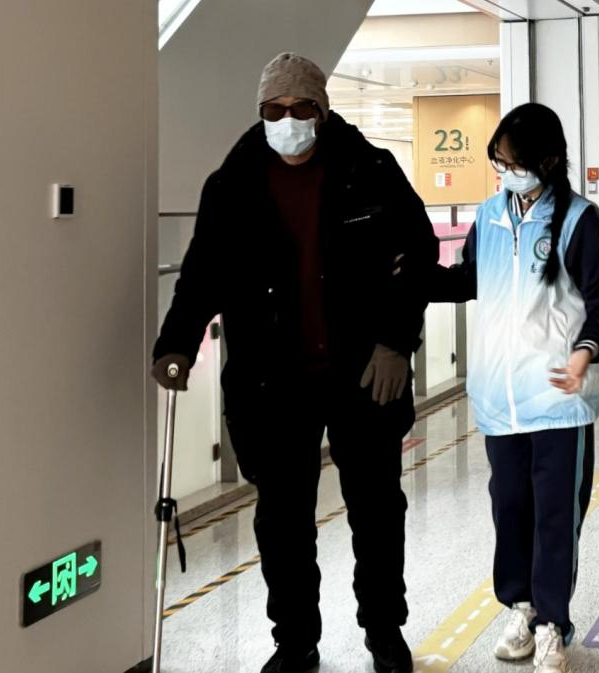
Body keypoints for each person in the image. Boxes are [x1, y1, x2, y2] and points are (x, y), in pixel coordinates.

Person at [152, 53, 439, 673]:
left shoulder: (371, 171)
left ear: (322, 110)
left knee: (377, 512)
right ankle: (295, 641)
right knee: (282, 522)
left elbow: (417, 256)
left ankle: (384, 632)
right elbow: (201, 275)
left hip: (365, 373)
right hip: (271, 382)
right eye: (273, 110)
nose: (287, 120)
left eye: (299, 108)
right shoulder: (231, 185)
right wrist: (175, 345)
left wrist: (395, 343)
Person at [408, 103, 599, 673]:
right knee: (510, 510)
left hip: (558, 401)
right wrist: (412, 275)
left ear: (548, 161)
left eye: (512, 163)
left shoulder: (577, 220)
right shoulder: (488, 216)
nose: (504, 172)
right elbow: (469, 280)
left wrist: (584, 352)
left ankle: (553, 623)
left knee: (556, 516)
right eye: (498, 162)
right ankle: (521, 608)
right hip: (499, 403)